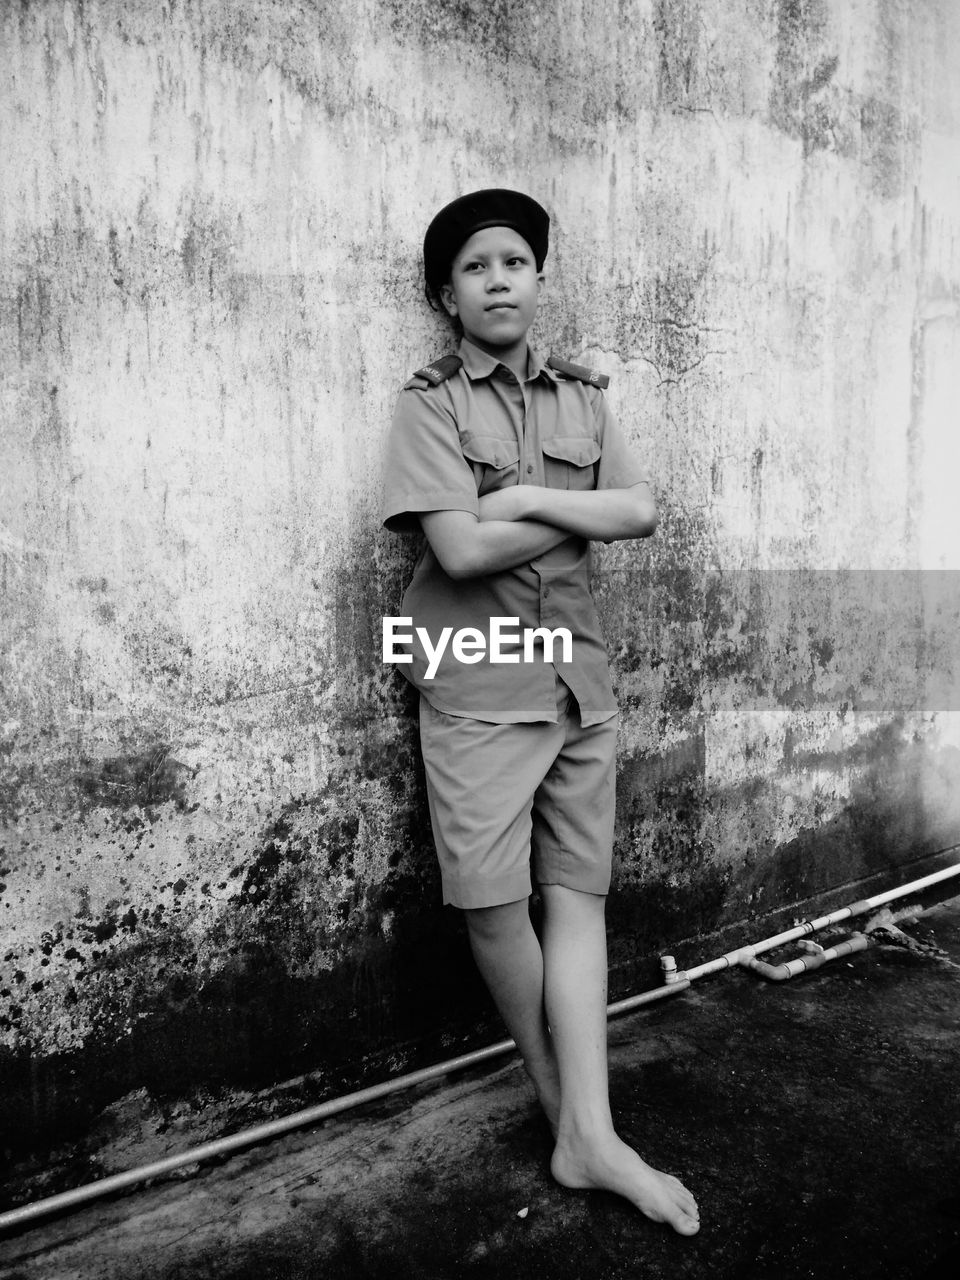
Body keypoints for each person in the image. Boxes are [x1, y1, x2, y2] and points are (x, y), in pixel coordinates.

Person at [381, 189, 700, 1236]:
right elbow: (458, 552)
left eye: (517, 259)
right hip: (474, 676)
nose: (500, 277)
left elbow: (642, 510)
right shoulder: (428, 404)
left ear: (539, 278)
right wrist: (567, 517)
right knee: (489, 902)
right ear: (448, 296)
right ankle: (571, 1119)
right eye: (477, 266)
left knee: (577, 894)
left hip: (578, 679)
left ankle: (593, 1132)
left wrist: (519, 499)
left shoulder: (583, 398)